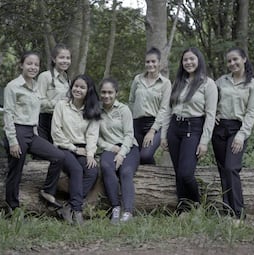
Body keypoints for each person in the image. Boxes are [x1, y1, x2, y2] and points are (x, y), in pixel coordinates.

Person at [3, 51, 65, 212]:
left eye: (36, 64)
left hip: (32, 133)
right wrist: (12, 141)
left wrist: (35, 132)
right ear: (21, 65)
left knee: (58, 156)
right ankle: (12, 207)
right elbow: (8, 114)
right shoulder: (13, 86)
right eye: (29, 63)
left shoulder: (37, 86)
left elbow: (34, 112)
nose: (33, 67)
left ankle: (47, 191)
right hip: (17, 131)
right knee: (16, 169)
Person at [161, 47, 218, 215]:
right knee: (179, 172)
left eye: (192, 59)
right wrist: (164, 135)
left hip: (193, 129)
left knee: (186, 173)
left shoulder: (208, 83)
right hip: (174, 128)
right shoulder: (178, 82)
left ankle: (197, 205)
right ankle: (183, 210)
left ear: (198, 60)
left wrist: (204, 141)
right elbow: (167, 110)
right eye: (185, 60)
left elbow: (211, 114)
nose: (188, 62)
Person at [212, 47, 254, 221]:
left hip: (237, 129)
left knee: (232, 168)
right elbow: (208, 99)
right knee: (223, 170)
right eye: (229, 61)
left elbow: (251, 112)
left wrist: (242, 135)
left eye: (235, 60)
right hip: (219, 129)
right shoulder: (221, 81)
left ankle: (239, 214)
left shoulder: (253, 85)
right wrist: (213, 114)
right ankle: (227, 210)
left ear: (244, 59)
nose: (232, 63)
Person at [51, 74, 101, 224]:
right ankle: (77, 212)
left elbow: (92, 135)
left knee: (92, 171)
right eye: (76, 86)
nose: (77, 89)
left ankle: (68, 207)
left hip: (83, 148)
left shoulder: (92, 109)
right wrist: (73, 148)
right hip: (63, 147)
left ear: (88, 90)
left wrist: (91, 154)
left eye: (82, 87)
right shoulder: (62, 105)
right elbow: (56, 132)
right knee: (76, 170)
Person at [98, 78, 140, 224]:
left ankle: (128, 212)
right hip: (109, 147)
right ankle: (116, 208)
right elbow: (95, 137)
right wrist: (110, 147)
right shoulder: (97, 111)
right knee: (105, 166)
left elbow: (129, 134)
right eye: (103, 92)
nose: (106, 96)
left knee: (126, 172)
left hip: (129, 147)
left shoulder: (123, 109)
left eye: (110, 92)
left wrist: (122, 153)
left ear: (116, 93)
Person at [128, 47, 171, 164]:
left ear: (159, 63)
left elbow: (164, 109)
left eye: (153, 61)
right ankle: (148, 179)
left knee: (145, 155)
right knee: (135, 158)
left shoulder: (166, 83)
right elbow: (131, 101)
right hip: (136, 123)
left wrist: (152, 131)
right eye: (148, 62)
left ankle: (155, 175)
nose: (150, 64)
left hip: (155, 125)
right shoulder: (137, 79)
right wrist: (131, 120)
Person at [37, 44, 71, 143]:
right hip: (45, 120)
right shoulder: (45, 76)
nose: (65, 61)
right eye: (61, 57)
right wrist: (58, 103)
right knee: (44, 155)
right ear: (54, 59)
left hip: (61, 122)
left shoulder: (67, 79)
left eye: (68, 58)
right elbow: (39, 101)